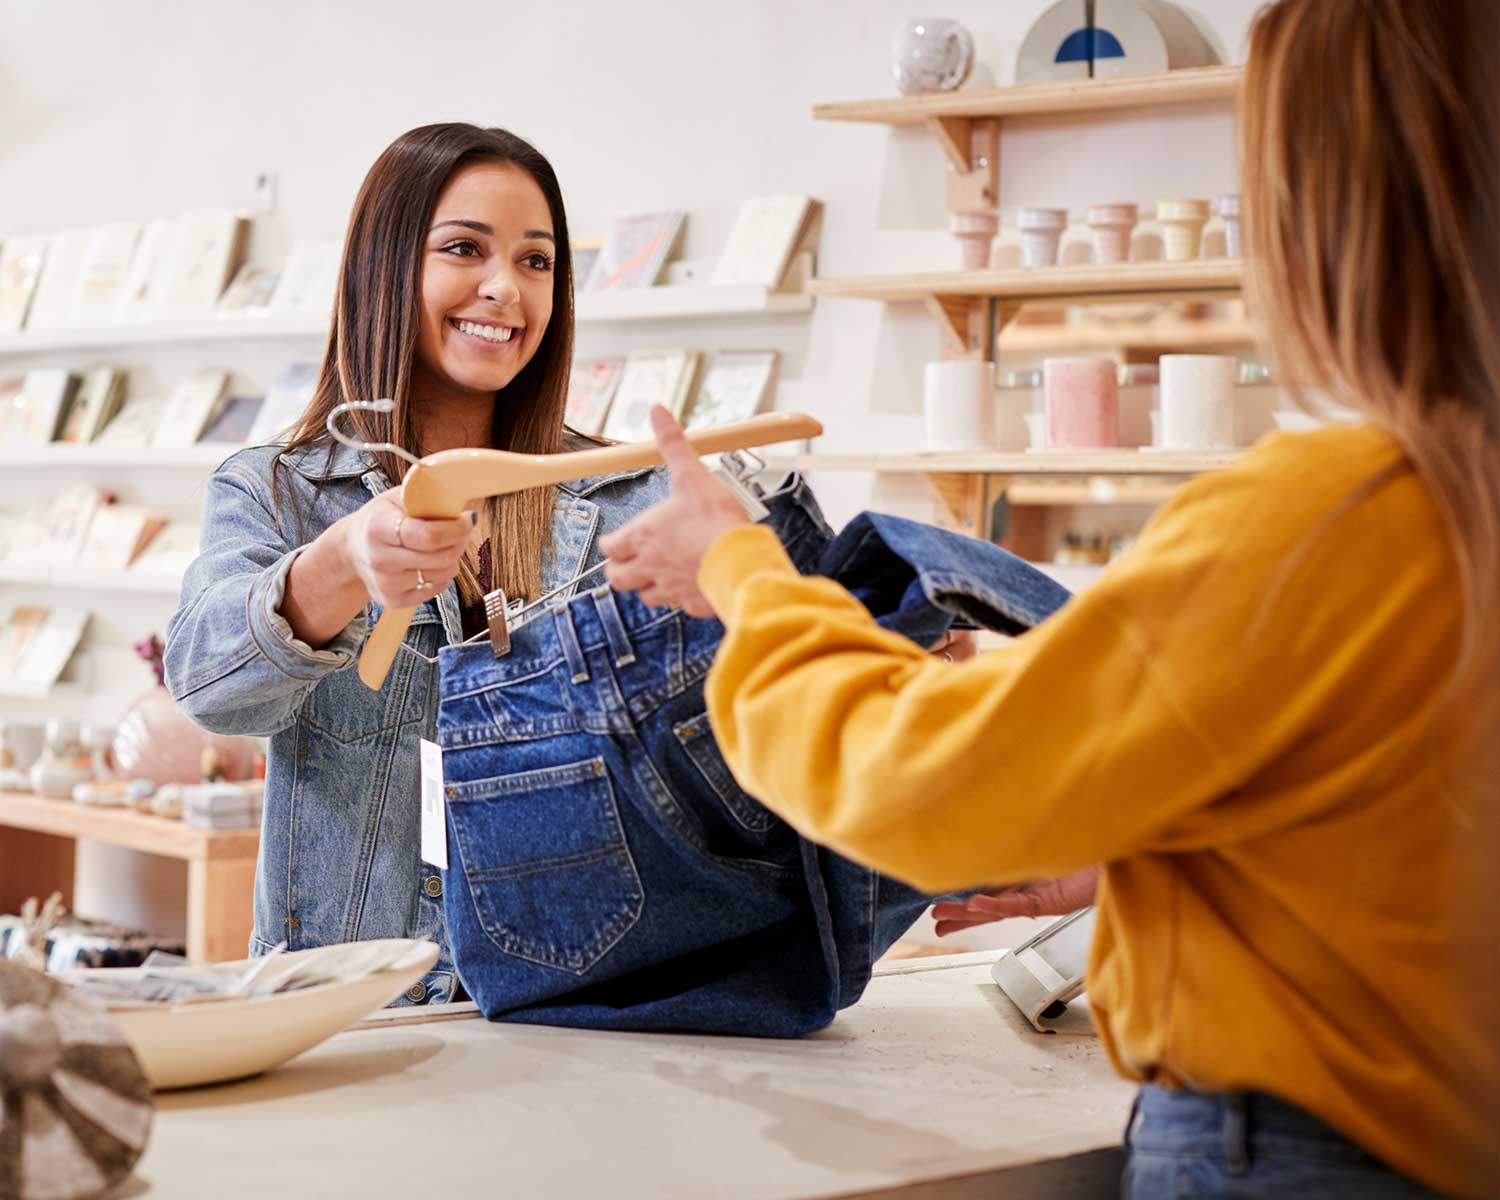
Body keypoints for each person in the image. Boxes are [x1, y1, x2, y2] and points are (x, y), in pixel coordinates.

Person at [599, 1, 1499, 1195]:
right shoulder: (1457, 507)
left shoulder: (1332, 516)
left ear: (1323, 209)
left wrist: (743, 570)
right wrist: (1163, 859)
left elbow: (917, 780)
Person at [164, 124, 669, 1005]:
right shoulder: (279, 491)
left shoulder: (628, 497)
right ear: (384, 266)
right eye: (464, 249)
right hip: (348, 1010)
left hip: (574, 1006)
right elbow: (210, 686)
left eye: (537, 260)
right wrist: (340, 563)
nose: (505, 288)